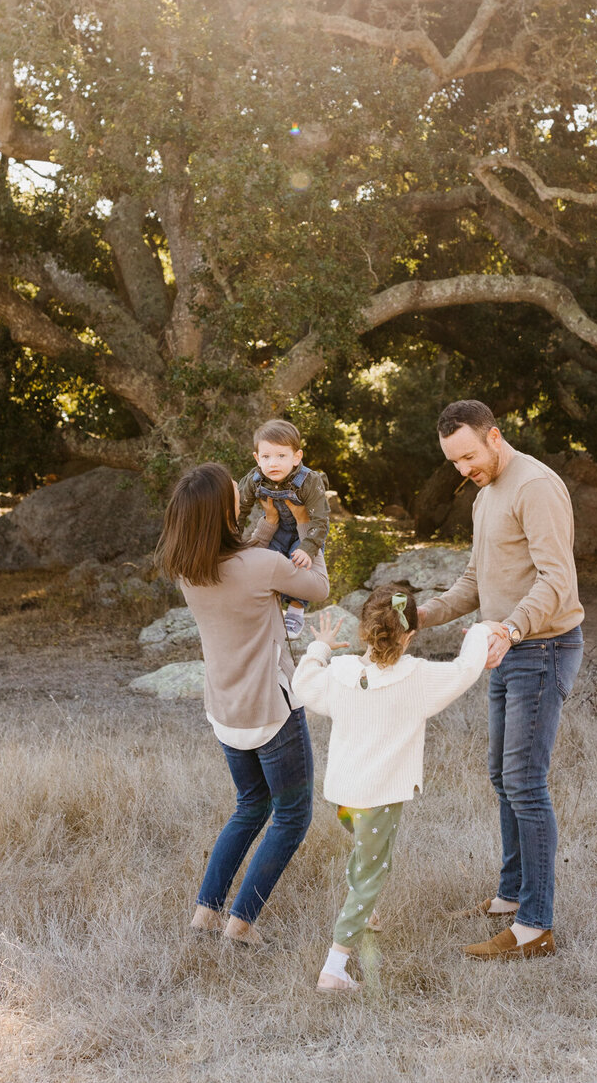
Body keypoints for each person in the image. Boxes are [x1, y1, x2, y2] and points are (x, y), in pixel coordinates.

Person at [418, 400, 584, 960]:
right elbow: (475, 579)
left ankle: (535, 927)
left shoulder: (534, 486)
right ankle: (511, 898)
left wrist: (511, 629)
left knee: (525, 782)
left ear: (494, 436)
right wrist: (421, 616)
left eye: (469, 455)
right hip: (504, 648)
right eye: (454, 462)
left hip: (541, 648)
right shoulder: (486, 494)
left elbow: (557, 579)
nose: (464, 469)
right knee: (502, 775)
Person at [291, 582, 501, 993]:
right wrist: (480, 632)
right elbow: (465, 671)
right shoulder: (417, 678)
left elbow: (303, 685)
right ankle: (334, 968)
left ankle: (365, 916)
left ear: (365, 631)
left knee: (363, 854)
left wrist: (320, 648)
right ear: (409, 635)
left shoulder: (341, 673)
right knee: (372, 874)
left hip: (344, 797)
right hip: (378, 799)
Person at [156, 461, 330, 945]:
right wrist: (308, 531)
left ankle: (206, 915)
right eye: (237, 494)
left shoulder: (188, 570)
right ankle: (241, 923)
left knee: (250, 805)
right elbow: (319, 587)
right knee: (292, 816)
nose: (245, 494)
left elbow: (243, 549)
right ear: (223, 513)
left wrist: (272, 524)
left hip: (224, 711)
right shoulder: (263, 567)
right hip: (272, 713)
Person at [236, 418, 331, 639]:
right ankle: (271, 607)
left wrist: (308, 548)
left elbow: (320, 520)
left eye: (281, 456)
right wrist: (234, 539)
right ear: (257, 459)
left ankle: (296, 609)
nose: (273, 463)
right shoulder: (254, 480)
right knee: (266, 562)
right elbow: (239, 510)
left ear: (297, 457)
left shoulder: (309, 481)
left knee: (301, 564)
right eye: (266, 457)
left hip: (306, 533)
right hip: (277, 530)